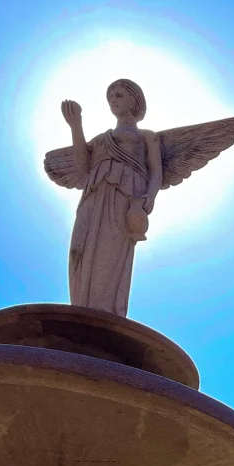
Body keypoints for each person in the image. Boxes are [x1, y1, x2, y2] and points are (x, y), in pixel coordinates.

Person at [61, 79, 161, 315]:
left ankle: (105, 316)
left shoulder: (147, 136)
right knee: (79, 250)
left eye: (119, 95)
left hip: (124, 197)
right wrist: (76, 125)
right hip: (93, 196)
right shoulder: (100, 139)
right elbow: (84, 166)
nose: (113, 100)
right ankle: (80, 309)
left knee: (109, 255)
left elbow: (156, 170)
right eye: (110, 97)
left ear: (134, 100)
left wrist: (151, 196)